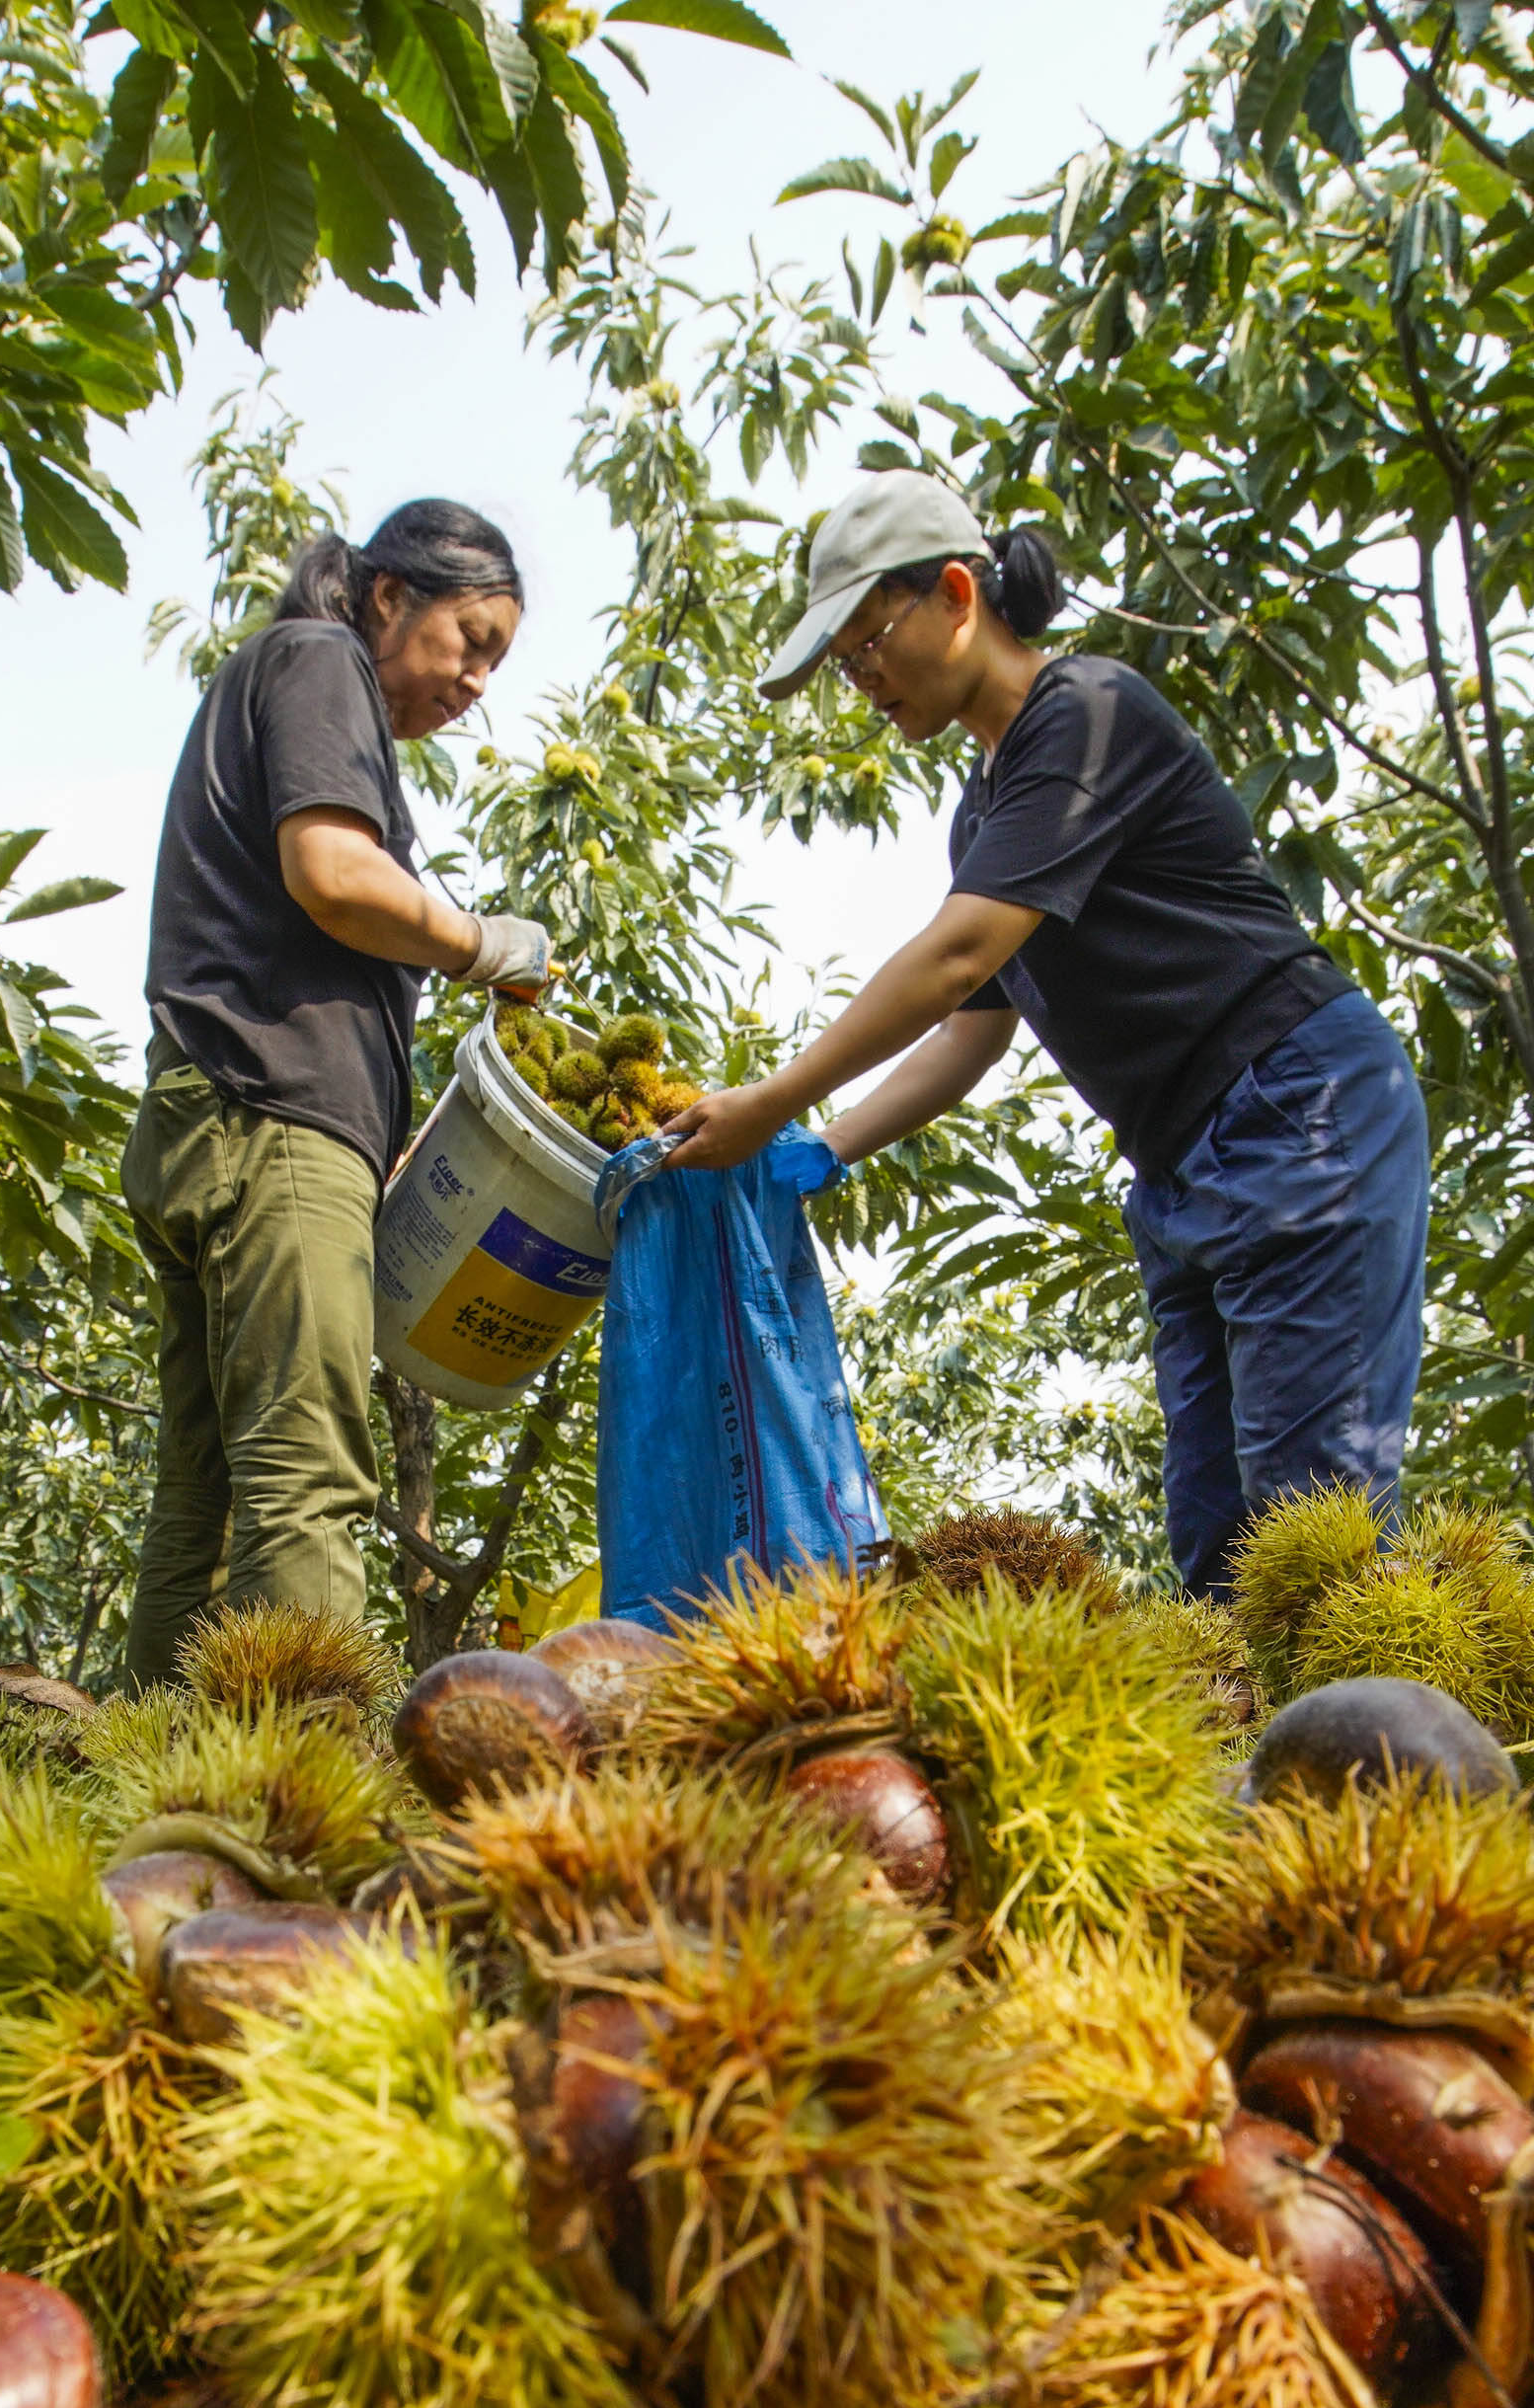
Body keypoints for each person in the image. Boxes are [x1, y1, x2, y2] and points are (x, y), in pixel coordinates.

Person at [662, 472, 1430, 1600]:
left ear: (958, 593)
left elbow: (959, 955)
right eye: (843, 664)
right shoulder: (986, 809)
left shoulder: (1086, 713)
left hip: (1297, 1108)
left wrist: (771, 1100)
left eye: (867, 640)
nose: (862, 678)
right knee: (1219, 1543)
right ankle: (1260, 1771)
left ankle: (1392, 1765)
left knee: (1315, 1531)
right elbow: (973, 1036)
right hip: (1181, 1166)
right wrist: (820, 1149)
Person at [121, 500, 551, 1683]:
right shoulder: (318, 662)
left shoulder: (283, 679)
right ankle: (298, 1810)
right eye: (471, 638)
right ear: (384, 596)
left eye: (495, 663)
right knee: (308, 1474)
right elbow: (331, 873)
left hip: (208, 1120)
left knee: (208, 1497)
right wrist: (478, 942)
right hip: (268, 1122)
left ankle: (145, 1795)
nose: (474, 681)